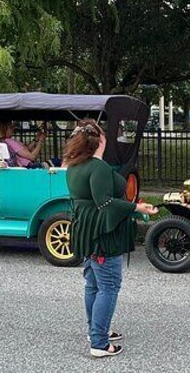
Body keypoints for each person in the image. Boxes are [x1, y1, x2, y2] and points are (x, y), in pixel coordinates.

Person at [65, 119, 158, 358]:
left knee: (93, 284)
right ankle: (99, 342)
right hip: (101, 233)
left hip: (85, 230)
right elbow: (105, 204)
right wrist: (138, 208)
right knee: (109, 286)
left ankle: (95, 330)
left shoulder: (75, 165)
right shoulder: (98, 168)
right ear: (101, 140)